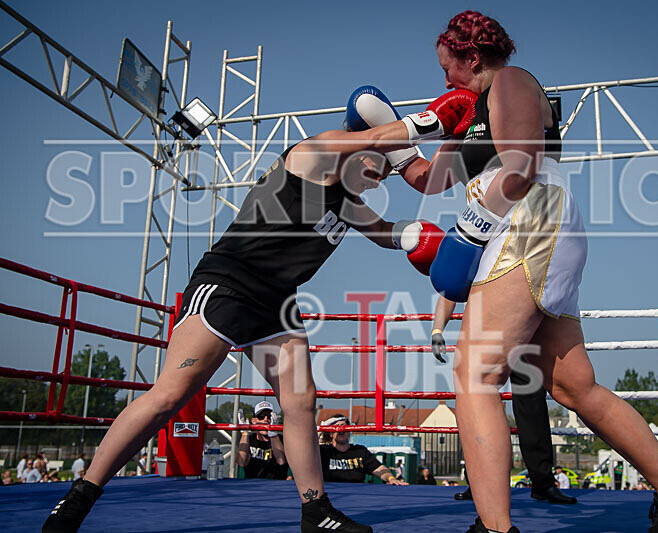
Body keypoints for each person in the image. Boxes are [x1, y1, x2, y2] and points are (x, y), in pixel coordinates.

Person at [42, 98, 472, 533]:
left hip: (276, 301)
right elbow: (380, 137)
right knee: (170, 395)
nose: (384, 176)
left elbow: (383, 234)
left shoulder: (349, 202)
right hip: (229, 283)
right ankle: (80, 495)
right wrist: (433, 121)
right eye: (380, 165)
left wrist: (422, 238)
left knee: (301, 402)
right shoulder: (315, 153)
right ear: (358, 147)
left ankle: (316, 511)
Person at [419, 10, 658, 533]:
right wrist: (399, 139)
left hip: (526, 221)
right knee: (573, 385)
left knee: (475, 374)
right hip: (537, 228)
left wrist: (470, 226)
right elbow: (426, 180)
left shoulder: (510, 81)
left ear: (472, 57)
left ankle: (494, 528)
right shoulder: (473, 118)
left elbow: (523, 163)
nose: (445, 81)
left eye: (450, 69)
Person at [433, 296, 576, 505]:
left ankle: (543, 482)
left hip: (522, 333)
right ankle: (480, 483)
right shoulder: (473, 263)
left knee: (532, 406)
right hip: (485, 335)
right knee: (479, 410)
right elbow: (449, 283)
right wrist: (437, 330)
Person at [318, 415, 408, 486]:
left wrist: (391, 478)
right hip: (332, 494)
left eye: (343, 426)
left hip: (358, 495)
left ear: (349, 430)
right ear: (330, 433)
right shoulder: (323, 451)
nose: (340, 430)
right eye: (336, 427)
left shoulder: (360, 451)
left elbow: (379, 468)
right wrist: (319, 430)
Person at [235, 400, 289, 479]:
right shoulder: (248, 440)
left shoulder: (281, 440)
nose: (265, 420)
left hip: (276, 487)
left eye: (269, 416)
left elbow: (281, 461)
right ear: (253, 421)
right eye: (261, 417)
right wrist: (245, 433)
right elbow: (241, 462)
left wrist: (273, 433)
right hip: (252, 486)